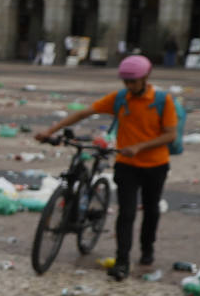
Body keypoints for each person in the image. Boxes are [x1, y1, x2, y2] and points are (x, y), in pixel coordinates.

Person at [34, 54, 179, 282]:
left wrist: (139, 146)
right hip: (126, 165)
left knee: (151, 210)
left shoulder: (162, 101)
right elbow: (85, 112)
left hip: (155, 165)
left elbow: (170, 134)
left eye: (133, 81)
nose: (129, 86)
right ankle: (122, 262)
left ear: (145, 78)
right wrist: (50, 131)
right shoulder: (121, 99)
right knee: (126, 214)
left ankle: (147, 248)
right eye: (125, 82)